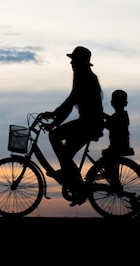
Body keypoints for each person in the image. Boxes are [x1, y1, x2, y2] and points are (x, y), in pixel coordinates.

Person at [40, 46, 104, 205]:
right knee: (65, 155)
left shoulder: (86, 79)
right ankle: (75, 184)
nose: (71, 63)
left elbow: (70, 102)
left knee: (54, 136)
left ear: (80, 62)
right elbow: (70, 105)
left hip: (89, 123)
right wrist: (55, 121)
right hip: (88, 123)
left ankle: (77, 184)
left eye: (74, 60)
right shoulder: (83, 77)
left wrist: (54, 115)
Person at [102, 89, 134, 157]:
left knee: (108, 158)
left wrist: (102, 115)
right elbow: (109, 123)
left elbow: (112, 122)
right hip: (119, 144)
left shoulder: (121, 116)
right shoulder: (122, 115)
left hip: (119, 145)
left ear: (112, 103)